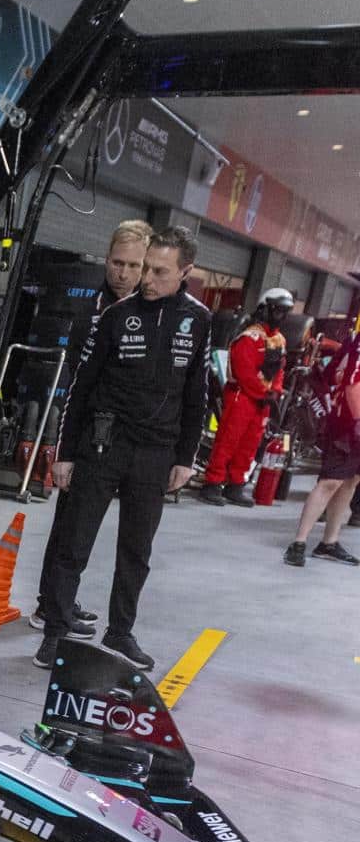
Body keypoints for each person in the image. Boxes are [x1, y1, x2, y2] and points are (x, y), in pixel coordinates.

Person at [33, 227, 210, 671]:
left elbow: (198, 393)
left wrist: (186, 458)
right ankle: (55, 632)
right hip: (103, 445)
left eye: (159, 272)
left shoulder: (198, 320)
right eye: (144, 267)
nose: (146, 279)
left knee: (136, 550)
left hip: (156, 455)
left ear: (186, 272)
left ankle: (120, 632)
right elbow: (81, 387)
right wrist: (66, 453)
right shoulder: (115, 315)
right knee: (73, 543)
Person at [28, 219, 155, 636]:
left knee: (79, 534)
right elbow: (77, 389)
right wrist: (66, 449)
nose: (123, 273)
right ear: (106, 260)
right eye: (117, 263)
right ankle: (51, 607)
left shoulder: (148, 313)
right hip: (87, 435)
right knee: (70, 530)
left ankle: (58, 601)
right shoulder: (94, 313)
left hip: (129, 441)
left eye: (134, 266)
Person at [199, 287, 291, 506]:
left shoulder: (279, 340)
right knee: (228, 441)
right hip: (242, 397)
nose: (281, 316)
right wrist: (264, 392)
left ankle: (236, 484)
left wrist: (274, 391)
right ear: (265, 309)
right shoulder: (248, 337)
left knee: (250, 444)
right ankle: (213, 482)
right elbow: (244, 371)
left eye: (284, 312)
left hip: (262, 401)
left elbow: (280, 371)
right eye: (277, 310)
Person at [284, 334, 360, 567]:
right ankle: (299, 542)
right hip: (346, 426)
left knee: (349, 482)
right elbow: (353, 387)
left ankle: (329, 542)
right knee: (330, 482)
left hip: (350, 426)